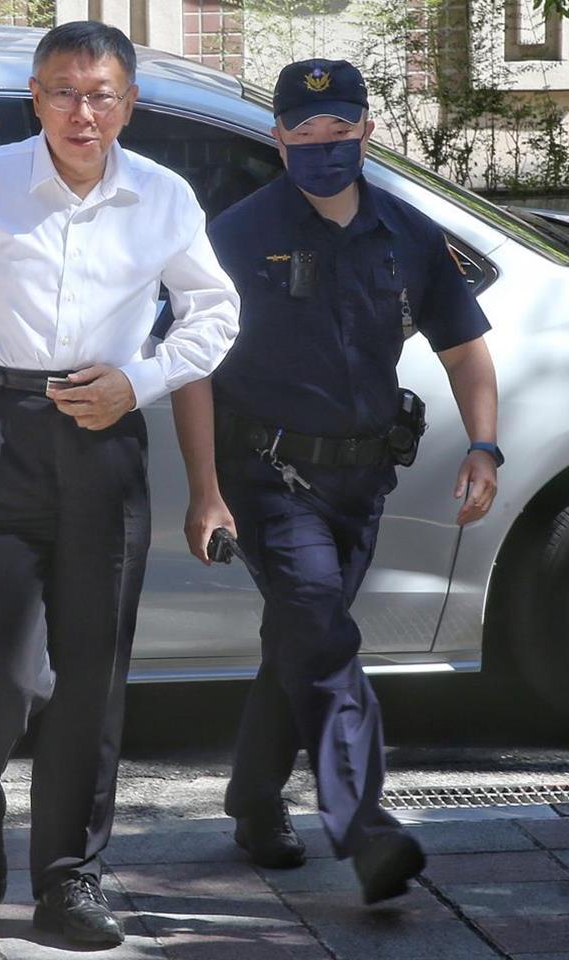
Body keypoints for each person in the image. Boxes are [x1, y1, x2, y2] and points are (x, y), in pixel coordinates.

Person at [0, 20, 239, 947]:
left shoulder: (162, 196)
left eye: (100, 95)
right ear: (35, 98)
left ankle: (68, 877)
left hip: (102, 437)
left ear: (129, 103)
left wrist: (143, 380)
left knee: (93, 675)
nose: (81, 113)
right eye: (62, 92)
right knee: (1, 675)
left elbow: (215, 314)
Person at [172, 59, 499, 905]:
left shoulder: (406, 231)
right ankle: (366, 827)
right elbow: (193, 367)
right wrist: (205, 489)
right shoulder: (236, 236)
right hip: (269, 478)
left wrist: (485, 446)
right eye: (306, 132)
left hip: (363, 482)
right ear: (279, 139)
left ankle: (254, 802)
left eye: (339, 129)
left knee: (302, 639)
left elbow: (465, 349)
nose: (324, 145)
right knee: (321, 632)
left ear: (366, 132)